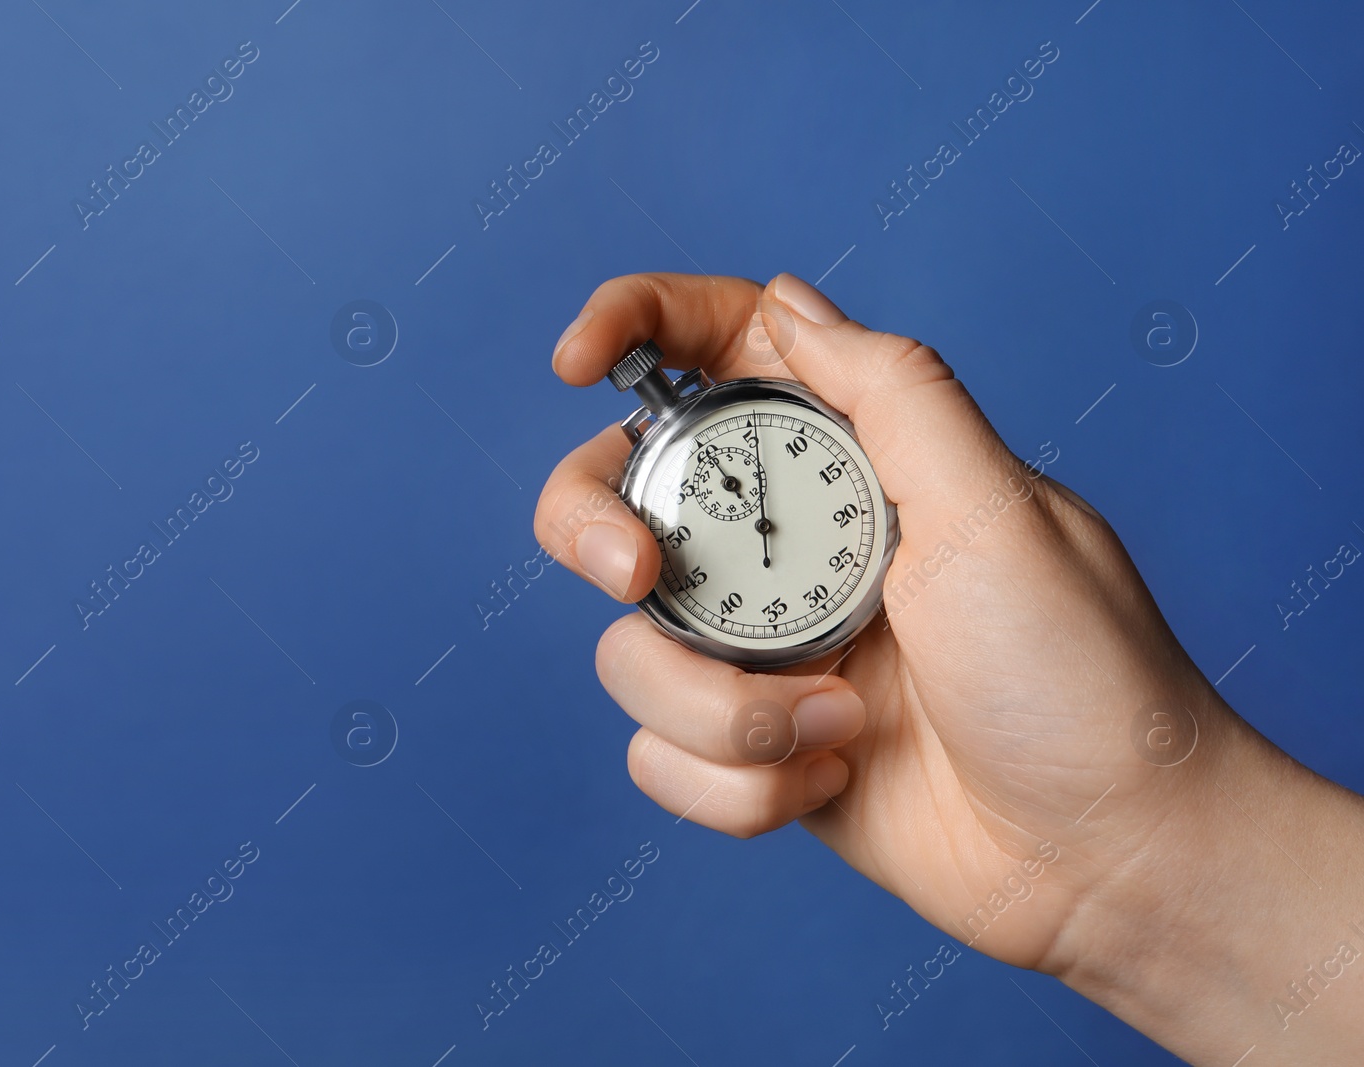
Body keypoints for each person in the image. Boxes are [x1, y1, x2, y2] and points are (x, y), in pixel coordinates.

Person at [535, 272, 1364, 1066]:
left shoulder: (787, 408)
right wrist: (1125, 875)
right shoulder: (669, 501)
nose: (761, 525)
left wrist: (1143, 839)